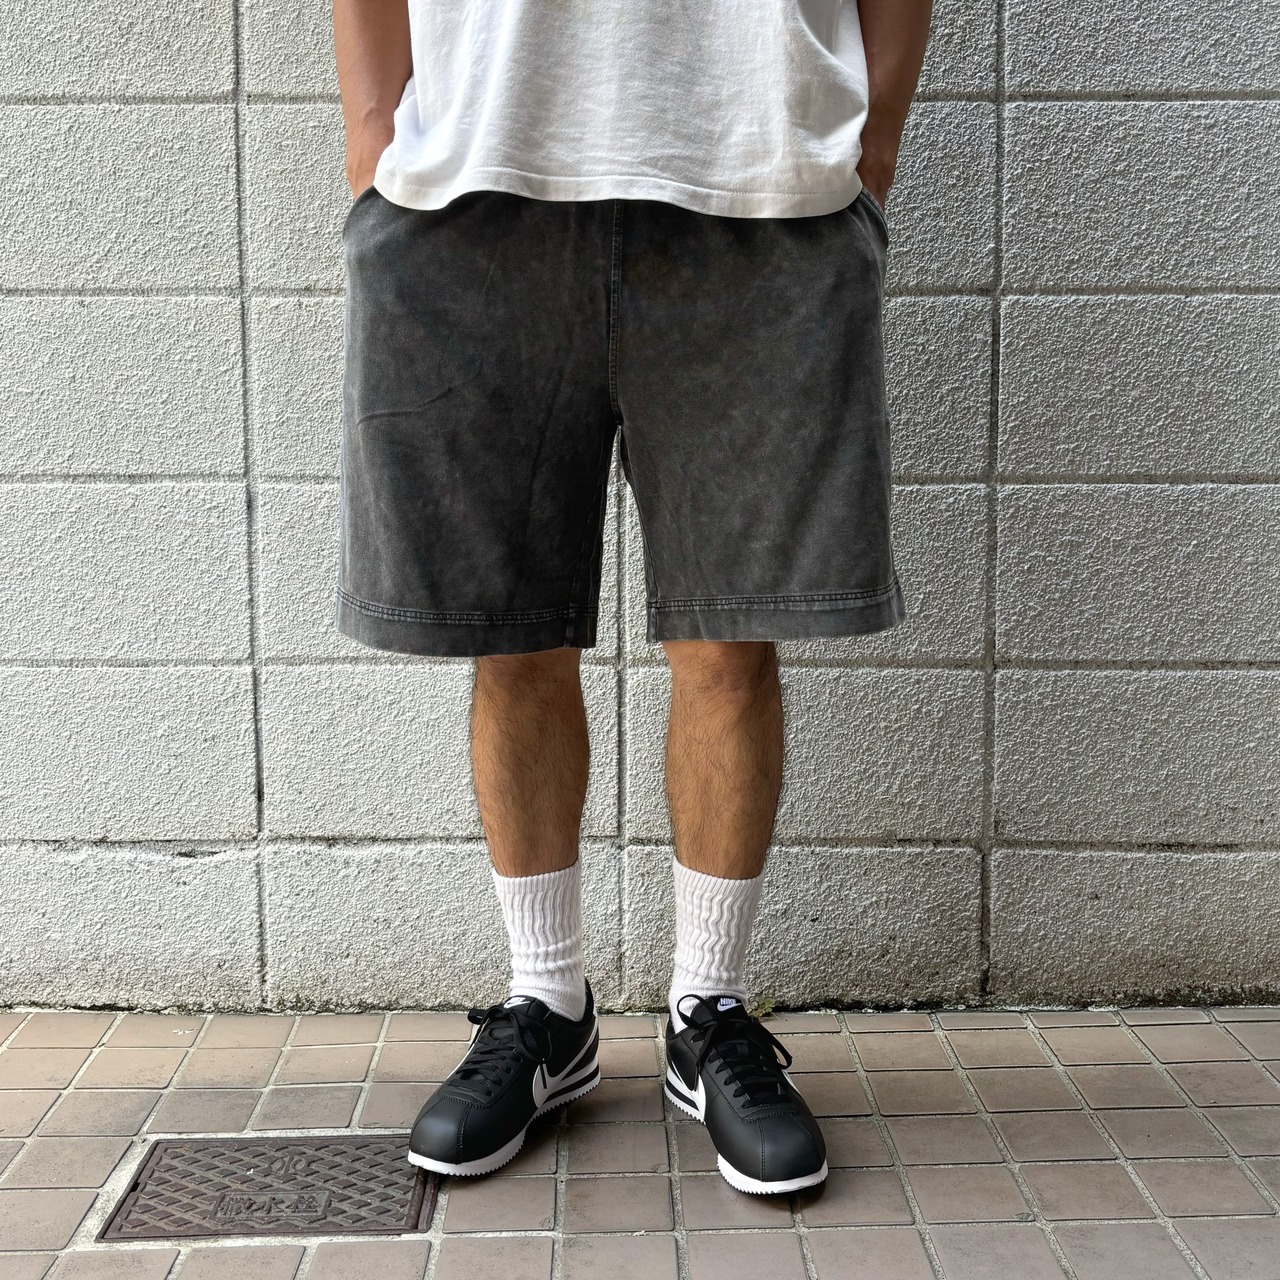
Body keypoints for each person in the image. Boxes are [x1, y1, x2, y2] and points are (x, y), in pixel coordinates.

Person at [331, 0, 932, 1196]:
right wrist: (371, 145)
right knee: (511, 633)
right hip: (474, 182)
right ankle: (545, 1005)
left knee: (727, 642)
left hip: (758, 184)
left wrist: (868, 156)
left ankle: (706, 1009)